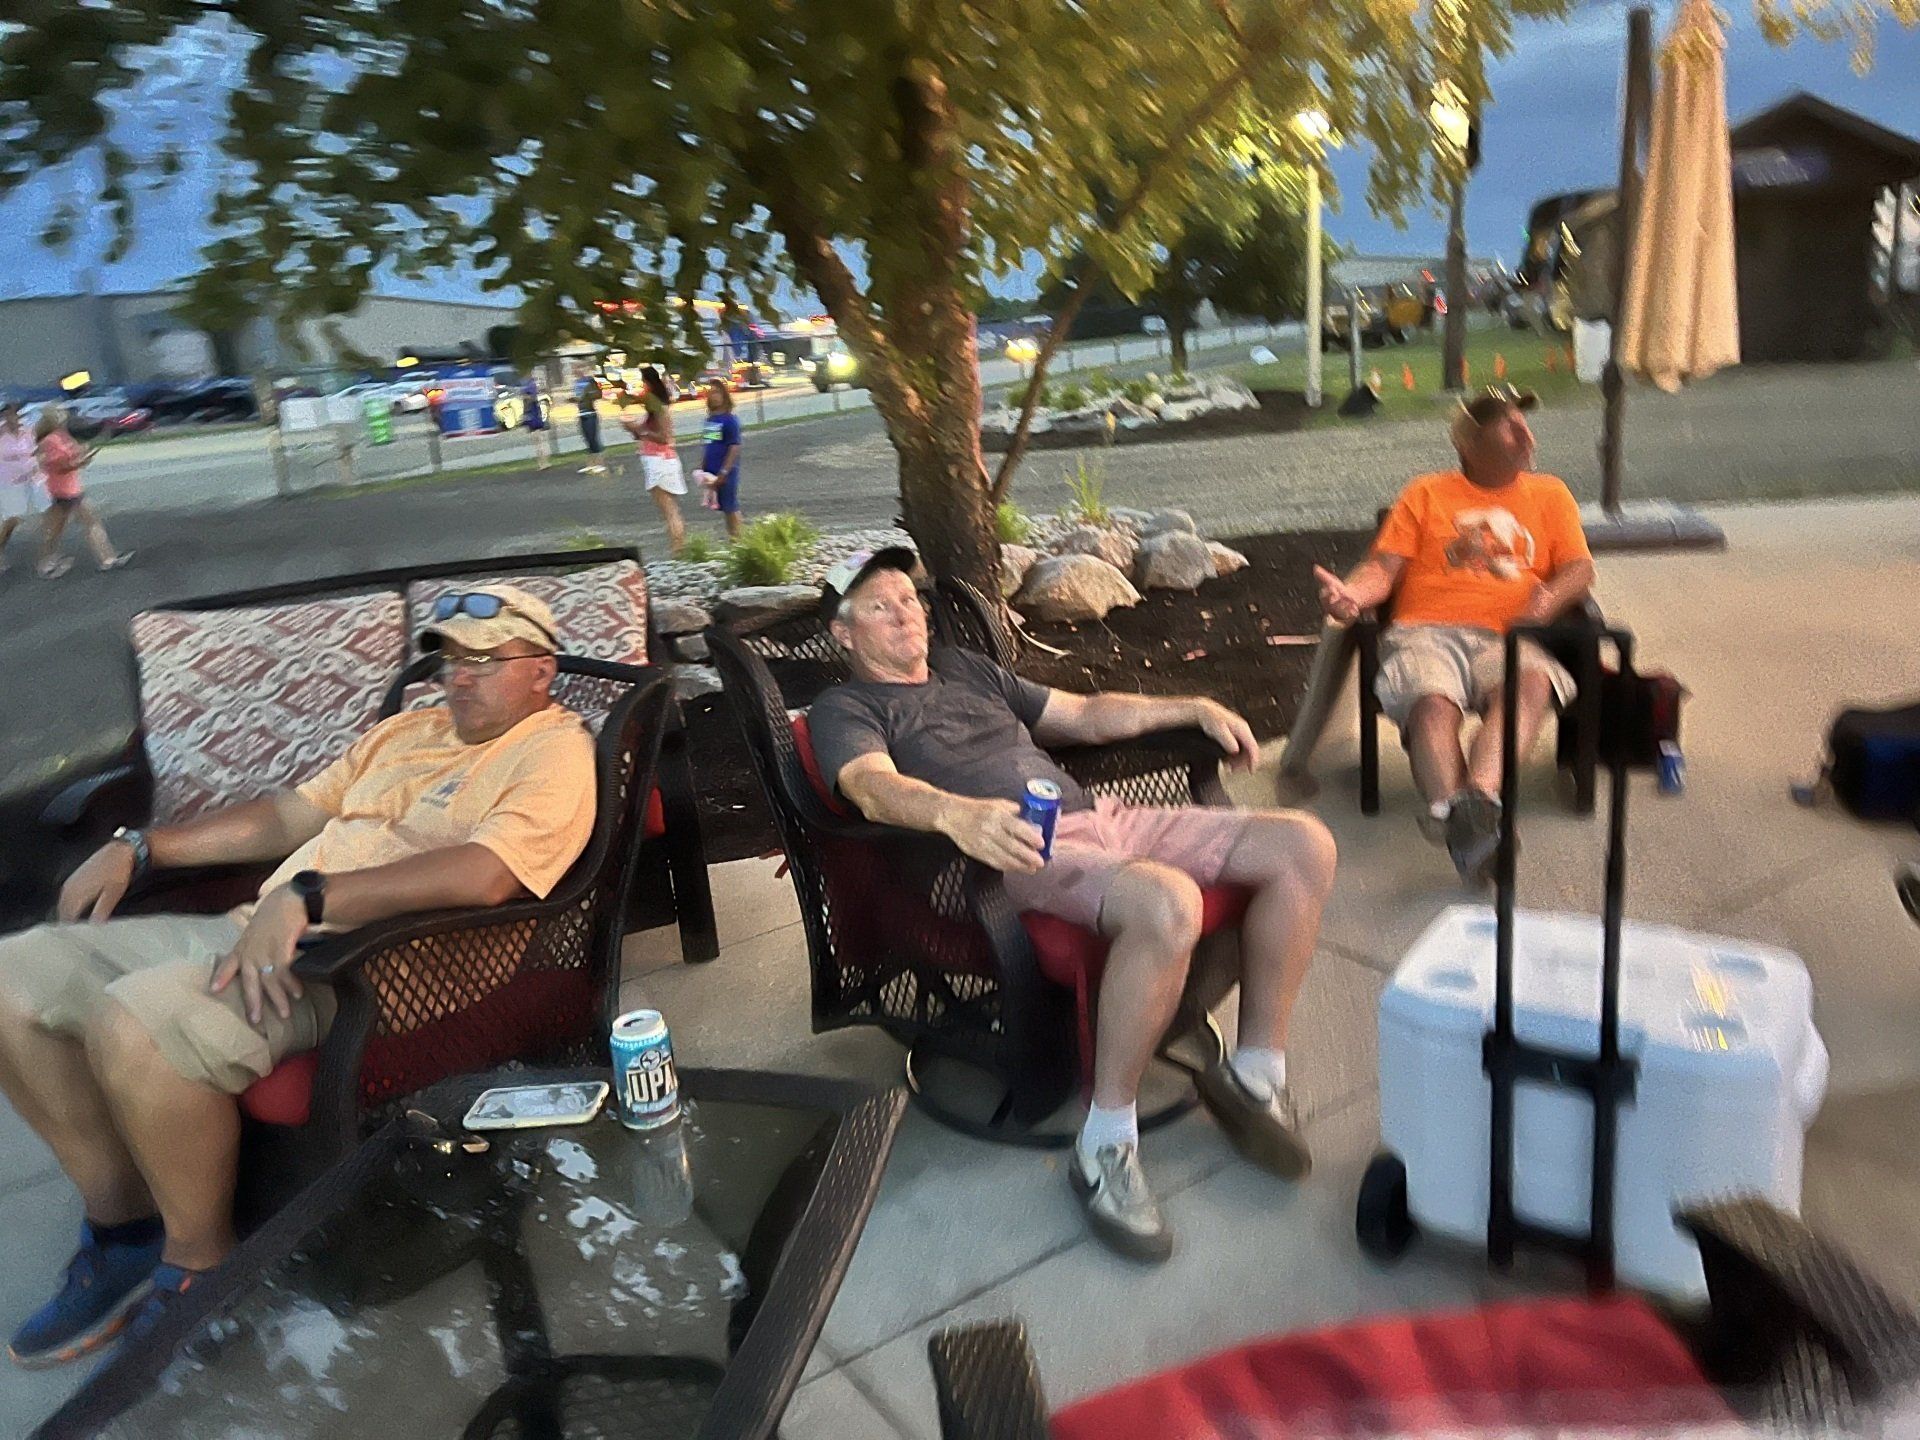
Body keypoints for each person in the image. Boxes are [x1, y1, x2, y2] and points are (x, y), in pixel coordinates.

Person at [0, 586, 596, 1366]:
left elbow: (488, 874)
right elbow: (289, 816)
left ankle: (202, 1270)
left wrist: (312, 898)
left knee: (134, 1024)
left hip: (369, 969)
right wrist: (144, 847)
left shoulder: (553, 751)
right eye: (450, 658)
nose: (460, 675)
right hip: (261, 931)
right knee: (14, 977)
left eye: (485, 660)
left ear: (542, 671)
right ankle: (125, 1228)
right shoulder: (408, 730)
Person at [809, 547, 1338, 1263]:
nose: (906, 612)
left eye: (910, 598)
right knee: (1167, 902)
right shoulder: (847, 707)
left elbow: (1085, 715)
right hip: (999, 855)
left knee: (1303, 845)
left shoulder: (967, 669)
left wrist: (1196, 705)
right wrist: (955, 815)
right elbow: (870, 786)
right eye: (880, 604)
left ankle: (1255, 1077)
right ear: (844, 634)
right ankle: (1105, 1143)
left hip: (1098, 818)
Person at [1312, 385, 1595, 886]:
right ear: (1467, 442)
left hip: (1508, 634)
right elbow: (1383, 568)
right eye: (1507, 424)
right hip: (1426, 633)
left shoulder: (1551, 494)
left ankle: (1476, 807)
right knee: (1431, 703)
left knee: (1528, 686)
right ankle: (1478, 830)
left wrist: (1547, 601)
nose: (1524, 432)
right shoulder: (1425, 493)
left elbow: (1579, 569)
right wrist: (1352, 597)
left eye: (1523, 422)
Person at [33, 407, 130, 579]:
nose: (63, 417)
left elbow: (73, 456)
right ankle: (106, 558)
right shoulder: (49, 441)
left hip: (72, 487)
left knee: (64, 527)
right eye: (58, 415)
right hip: (61, 489)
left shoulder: (64, 436)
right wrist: (77, 463)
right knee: (81, 523)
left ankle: (106, 559)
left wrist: (83, 455)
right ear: (51, 420)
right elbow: (55, 466)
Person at [624, 365, 687, 556]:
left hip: (660, 461)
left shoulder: (661, 409)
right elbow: (643, 434)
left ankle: (679, 550)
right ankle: (677, 548)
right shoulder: (652, 409)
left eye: (643, 383)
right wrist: (632, 428)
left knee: (670, 510)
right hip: (656, 460)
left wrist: (642, 431)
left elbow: (663, 437)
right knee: (668, 510)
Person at [694, 381, 745, 539]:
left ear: (724, 395)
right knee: (723, 508)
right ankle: (733, 539)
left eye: (717, 392)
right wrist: (703, 467)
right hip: (712, 470)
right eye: (711, 392)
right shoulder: (711, 420)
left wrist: (724, 471)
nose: (713, 396)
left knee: (731, 507)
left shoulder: (730, 420)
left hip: (726, 471)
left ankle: (740, 540)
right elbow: (710, 444)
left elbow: (734, 447)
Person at [0, 401, 43, 574]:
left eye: (16, 413)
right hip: (8, 482)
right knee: (13, 518)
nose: (14, 417)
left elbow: (35, 451)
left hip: (32, 479)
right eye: (9, 413)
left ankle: (47, 555)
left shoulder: (27, 432)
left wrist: (36, 466)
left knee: (47, 512)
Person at [573, 370, 607, 475]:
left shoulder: (590, 382)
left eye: (578, 368)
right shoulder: (577, 383)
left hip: (590, 414)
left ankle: (600, 463)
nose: (575, 371)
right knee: (587, 439)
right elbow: (580, 398)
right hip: (582, 413)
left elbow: (597, 395)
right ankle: (591, 464)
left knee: (593, 438)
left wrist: (584, 396)